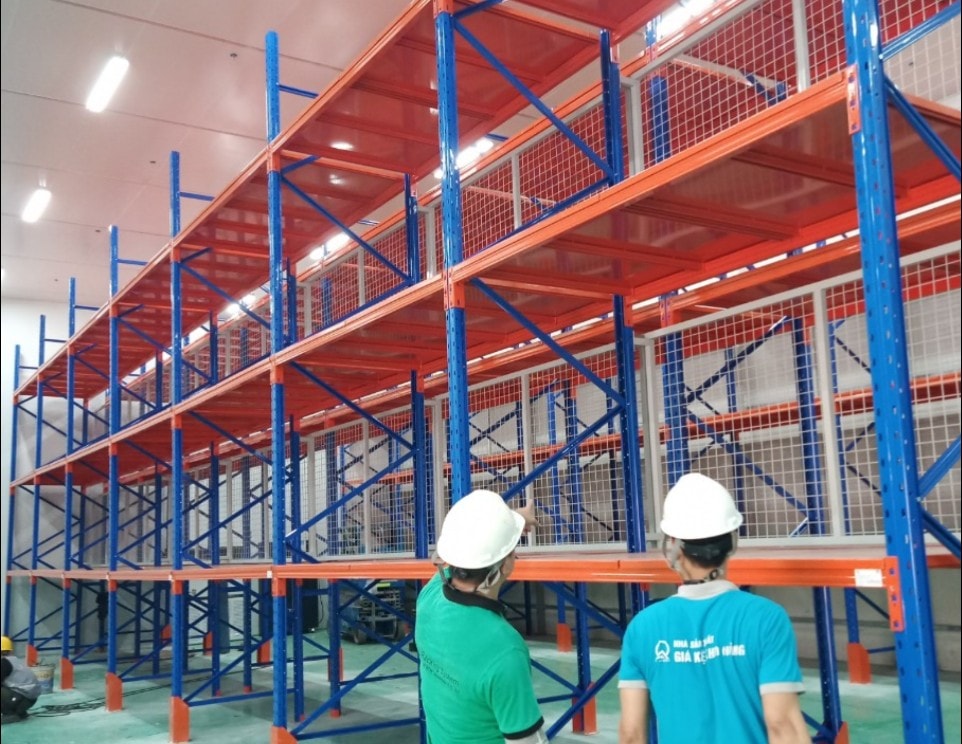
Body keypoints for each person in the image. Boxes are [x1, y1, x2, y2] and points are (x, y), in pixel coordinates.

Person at [618, 473, 809, 744]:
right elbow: (782, 724)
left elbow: (631, 734)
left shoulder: (643, 627)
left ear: (672, 547)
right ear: (732, 542)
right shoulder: (766, 618)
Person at [415, 488, 545, 744]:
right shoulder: (505, 650)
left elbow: (467, 549)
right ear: (507, 565)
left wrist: (515, 520)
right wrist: (515, 521)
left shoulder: (430, 597)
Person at [1, 636, 41, 723]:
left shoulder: (4, 663)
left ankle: (10, 714)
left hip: (22, 699)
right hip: (29, 699)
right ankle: (20, 712)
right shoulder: (13, 660)